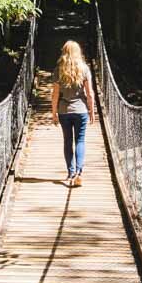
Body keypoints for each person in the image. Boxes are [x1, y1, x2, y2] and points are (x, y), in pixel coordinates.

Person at [50, 40, 95, 187]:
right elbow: (90, 93)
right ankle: (79, 173)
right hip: (81, 110)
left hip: (64, 111)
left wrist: (54, 113)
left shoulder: (58, 70)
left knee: (68, 141)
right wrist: (92, 111)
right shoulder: (84, 69)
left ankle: (71, 173)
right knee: (80, 141)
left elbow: (55, 94)